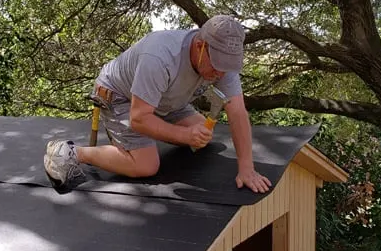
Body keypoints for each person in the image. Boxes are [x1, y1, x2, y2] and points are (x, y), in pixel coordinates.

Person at [43, 14, 272, 194]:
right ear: (201, 46)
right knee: (146, 165)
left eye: (227, 65)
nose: (220, 72)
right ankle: (73, 152)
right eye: (217, 64)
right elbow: (139, 118)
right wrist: (183, 136)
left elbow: (238, 113)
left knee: (203, 137)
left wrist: (246, 169)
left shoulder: (222, 64)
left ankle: (152, 132)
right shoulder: (161, 56)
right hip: (121, 96)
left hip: (167, 100)